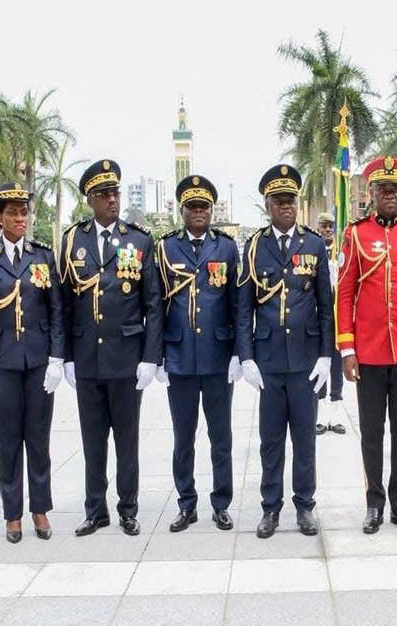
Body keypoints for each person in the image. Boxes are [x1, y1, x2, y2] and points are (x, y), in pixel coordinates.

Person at [59, 159, 163, 537]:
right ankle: (95, 509)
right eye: (104, 195)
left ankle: (128, 508)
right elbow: (63, 302)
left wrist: (150, 357)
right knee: (92, 441)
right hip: (87, 358)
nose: (112, 200)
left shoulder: (138, 240)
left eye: (115, 193)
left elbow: (153, 302)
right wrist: (65, 357)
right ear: (90, 199)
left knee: (127, 439)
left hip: (126, 357)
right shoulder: (73, 240)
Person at [337, 156, 397, 534]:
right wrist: (347, 349)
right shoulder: (356, 234)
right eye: (383, 189)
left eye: (395, 189)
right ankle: (374, 503)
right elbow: (344, 294)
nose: (390, 195)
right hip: (370, 352)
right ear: (372, 194)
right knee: (372, 432)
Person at [236, 164, 333, 539]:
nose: (286, 206)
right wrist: (246, 356)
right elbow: (244, 306)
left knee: (305, 438)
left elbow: (326, 304)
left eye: (291, 199)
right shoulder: (255, 245)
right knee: (271, 440)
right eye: (279, 201)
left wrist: (327, 355)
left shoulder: (313, 244)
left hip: (306, 359)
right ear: (268, 205)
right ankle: (270, 508)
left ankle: (305, 506)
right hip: (270, 360)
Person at [0, 183, 64, 542]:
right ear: (0, 217)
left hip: (38, 360)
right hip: (2, 362)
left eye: (24, 212)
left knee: (38, 438)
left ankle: (40, 510)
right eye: (12, 212)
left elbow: (56, 311)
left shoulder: (43, 257)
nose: (20, 218)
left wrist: (57, 358)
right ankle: (12, 515)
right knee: (7, 440)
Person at [155, 174, 241, 532]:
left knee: (220, 436)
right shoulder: (166, 248)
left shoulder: (226, 247)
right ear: (183, 210)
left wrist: (239, 353)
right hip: (179, 357)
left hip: (218, 356)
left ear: (211, 210)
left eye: (204, 206)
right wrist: (157, 355)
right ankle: (186, 503)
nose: (198, 212)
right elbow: (156, 304)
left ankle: (221, 503)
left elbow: (238, 304)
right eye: (192, 206)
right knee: (183, 436)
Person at [314, 211, 346, 436]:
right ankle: (320, 415)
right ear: (318, 228)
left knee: (336, 365)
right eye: (324, 226)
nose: (327, 230)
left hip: (338, 313)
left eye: (330, 227)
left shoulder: (342, 253)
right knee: (320, 363)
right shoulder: (313, 251)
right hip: (317, 315)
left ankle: (335, 415)